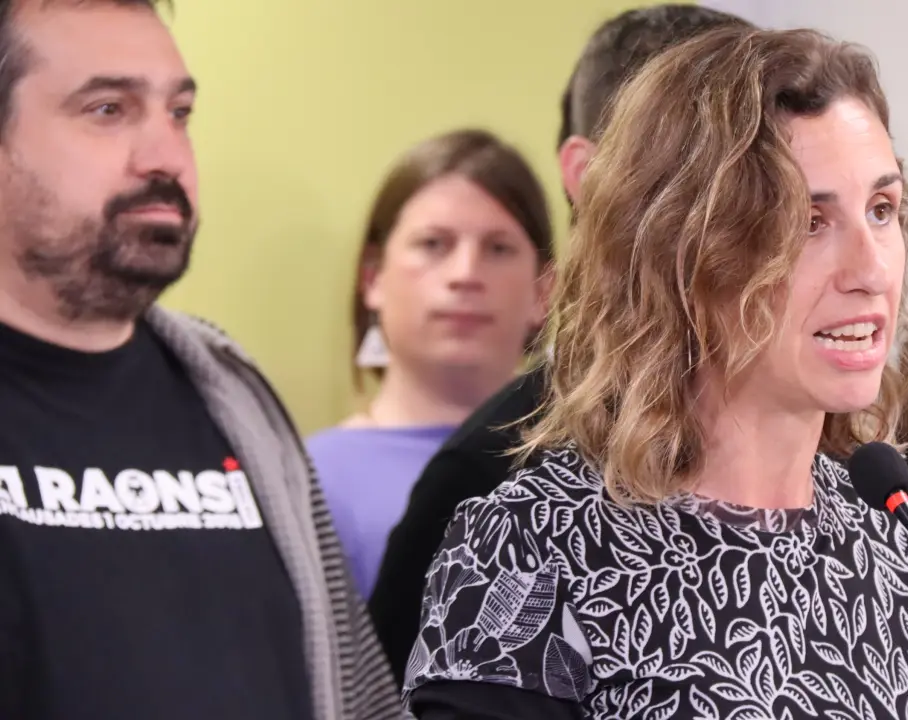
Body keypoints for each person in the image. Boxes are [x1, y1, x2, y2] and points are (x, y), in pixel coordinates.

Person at [402, 25, 908, 720]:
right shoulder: (533, 549)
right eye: (807, 222)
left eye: (882, 211)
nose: (872, 270)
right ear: (683, 255)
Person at [0, 1, 402, 718]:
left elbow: (361, 697)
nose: (166, 155)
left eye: (179, 113)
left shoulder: (236, 395)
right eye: (108, 109)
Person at [367, 3, 752, 683]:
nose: (760, 203)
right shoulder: (491, 476)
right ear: (592, 173)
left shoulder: (853, 461)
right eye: (717, 160)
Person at [307, 129, 553, 599]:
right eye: (434, 244)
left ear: (545, 290)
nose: (466, 274)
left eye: (498, 248)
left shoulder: (601, 465)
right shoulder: (307, 480)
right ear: (373, 278)